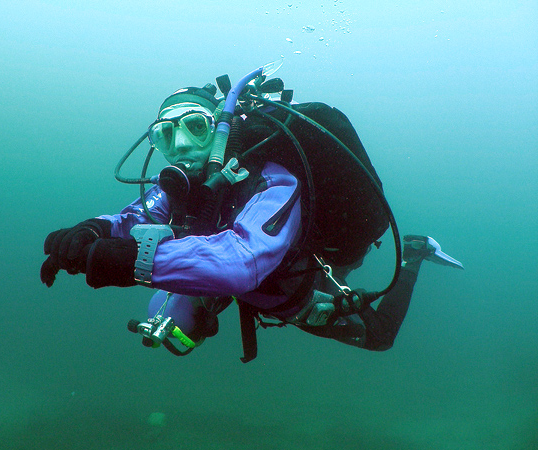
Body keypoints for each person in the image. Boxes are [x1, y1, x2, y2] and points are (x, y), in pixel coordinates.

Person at [40, 67, 464, 361]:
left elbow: (241, 260)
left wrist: (129, 262)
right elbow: (132, 218)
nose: (181, 145)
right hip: (249, 281)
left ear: (221, 129)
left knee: (379, 335)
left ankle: (414, 252)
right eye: (166, 135)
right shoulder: (179, 184)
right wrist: (89, 231)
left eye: (195, 127)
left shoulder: (272, 177)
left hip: (296, 284)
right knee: (171, 323)